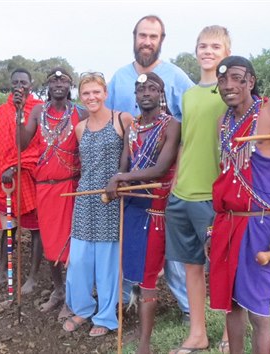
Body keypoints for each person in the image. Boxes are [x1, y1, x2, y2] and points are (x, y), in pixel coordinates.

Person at [208, 56, 270, 354]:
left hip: (261, 224)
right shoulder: (224, 121)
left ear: (251, 80)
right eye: (222, 80)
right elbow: (224, 174)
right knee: (232, 306)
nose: (229, 85)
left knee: (259, 312)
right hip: (228, 224)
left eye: (236, 78)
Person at [106, 14, 193, 321]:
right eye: (142, 35)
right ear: (134, 37)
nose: (147, 41)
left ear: (161, 40)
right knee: (131, 245)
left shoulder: (177, 81)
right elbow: (103, 116)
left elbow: (195, 118)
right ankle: (124, 302)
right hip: (132, 193)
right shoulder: (119, 78)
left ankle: (187, 308)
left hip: (165, 191)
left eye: (153, 37)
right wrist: (120, 178)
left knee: (172, 255)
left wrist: (121, 177)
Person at [165, 25, 231, 353]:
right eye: (203, 45)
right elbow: (185, 142)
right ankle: (198, 333)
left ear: (226, 52)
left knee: (220, 264)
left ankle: (228, 333)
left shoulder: (230, 93)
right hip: (182, 193)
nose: (208, 51)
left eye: (215, 46)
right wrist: (175, 185)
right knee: (191, 266)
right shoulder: (188, 95)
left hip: (213, 194)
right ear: (196, 51)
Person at [106, 72, 180, 353]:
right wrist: (120, 178)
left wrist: (121, 179)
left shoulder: (172, 126)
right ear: (135, 96)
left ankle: (145, 344)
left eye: (152, 88)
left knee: (148, 276)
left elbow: (161, 169)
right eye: (140, 89)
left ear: (161, 94)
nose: (145, 93)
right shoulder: (133, 127)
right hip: (132, 206)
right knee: (134, 271)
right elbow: (124, 165)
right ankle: (139, 332)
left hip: (154, 208)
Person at [63, 72, 133, 337]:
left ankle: (105, 316)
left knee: (107, 263)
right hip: (84, 200)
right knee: (79, 260)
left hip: (110, 201)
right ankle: (82, 309)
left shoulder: (122, 119)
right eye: (86, 93)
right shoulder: (80, 128)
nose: (91, 97)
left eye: (96, 92)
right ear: (80, 97)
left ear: (105, 93)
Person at [18, 67, 87, 316]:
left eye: (64, 80)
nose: (58, 83)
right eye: (54, 80)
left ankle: (73, 296)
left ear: (70, 85)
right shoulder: (38, 112)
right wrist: (18, 115)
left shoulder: (81, 112)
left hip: (71, 186)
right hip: (45, 188)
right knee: (49, 243)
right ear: (47, 85)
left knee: (71, 245)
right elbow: (22, 143)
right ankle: (58, 290)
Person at [0, 68, 44, 294]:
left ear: (30, 84)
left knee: (35, 229)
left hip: (29, 176)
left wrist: (17, 165)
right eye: (15, 82)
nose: (19, 85)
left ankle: (33, 277)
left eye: (23, 81)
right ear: (10, 85)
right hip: (7, 181)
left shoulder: (39, 109)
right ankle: (3, 272)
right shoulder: (0, 112)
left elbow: (40, 146)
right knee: (7, 229)